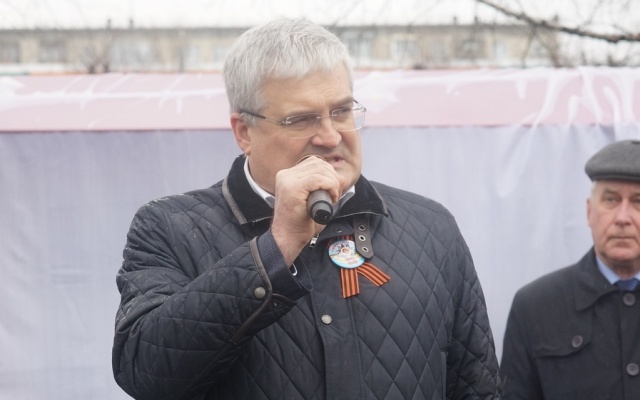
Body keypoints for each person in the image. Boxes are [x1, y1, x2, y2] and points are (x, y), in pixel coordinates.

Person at [112, 17, 502, 400]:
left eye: (342, 111)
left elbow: (478, 386)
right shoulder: (169, 227)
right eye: (301, 119)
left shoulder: (431, 226)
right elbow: (146, 374)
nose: (331, 137)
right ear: (244, 132)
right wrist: (276, 248)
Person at [500, 139, 640, 400]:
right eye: (610, 200)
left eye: (638, 201)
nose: (623, 218)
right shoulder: (535, 307)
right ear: (589, 212)